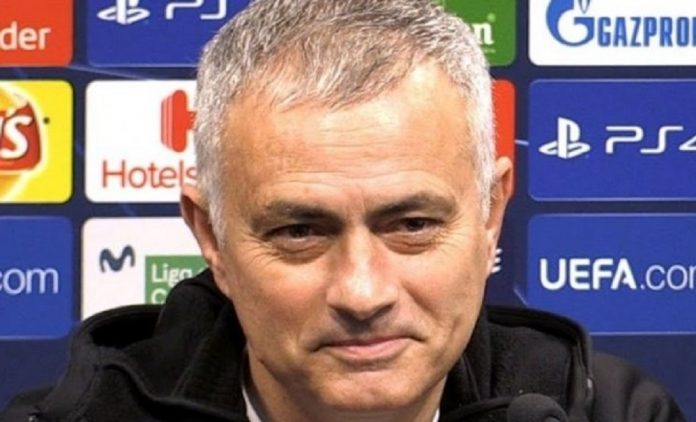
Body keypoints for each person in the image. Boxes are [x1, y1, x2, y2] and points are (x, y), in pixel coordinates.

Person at [2, 1, 685, 421]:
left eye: (412, 225)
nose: (362, 292)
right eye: (299, 231)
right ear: (211, 236)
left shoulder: (615, 412)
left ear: (489, 216)